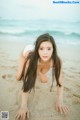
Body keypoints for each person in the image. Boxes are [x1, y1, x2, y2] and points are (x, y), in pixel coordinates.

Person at [16, 33, 68, 120]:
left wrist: (60, 100)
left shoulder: (57, 61)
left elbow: (60, 81)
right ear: (37, 50)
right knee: (18, 77)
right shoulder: (30, 60)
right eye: (41, 49)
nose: (45, 52)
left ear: (53, 49)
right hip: (27, 53)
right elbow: (26, 84)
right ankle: (36, 68)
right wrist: (23, 106)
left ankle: (38, 69)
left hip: (39, 60)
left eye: (49, 49)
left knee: (44, 80)